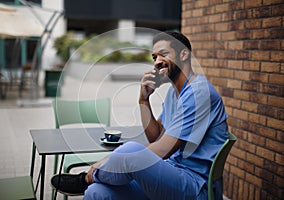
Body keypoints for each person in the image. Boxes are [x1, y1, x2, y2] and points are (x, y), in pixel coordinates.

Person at [51, 31, 229, 200]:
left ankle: (86, 179)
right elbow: (155, 137)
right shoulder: (174, 93)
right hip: (170, 174)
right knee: (97, 192)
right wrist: (143, 101)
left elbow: (162, 150)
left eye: (164, 54)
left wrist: (108, 163)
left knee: (131, 151)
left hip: (196, 186)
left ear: (183, 54)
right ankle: (93, 180)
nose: (157, 62)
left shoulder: (199, 93)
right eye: (154, 57)